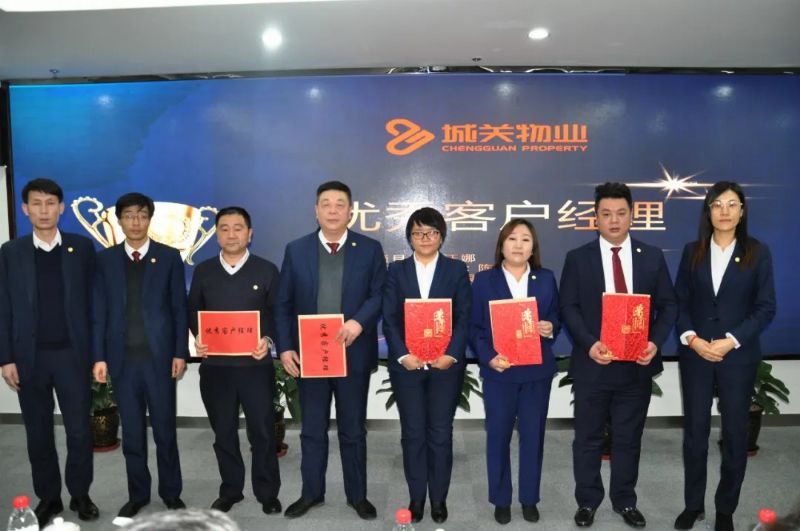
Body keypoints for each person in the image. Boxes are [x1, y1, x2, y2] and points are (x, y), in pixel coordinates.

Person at [560, 182, 677, 529]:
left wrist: (654, 342)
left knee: (628, 438)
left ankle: (625, 501)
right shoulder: (577, 258)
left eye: (621, 213)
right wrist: (588, 343)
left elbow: (669, 305)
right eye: (606, 214)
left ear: (632, 215)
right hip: (593, 364)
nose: (614, 220)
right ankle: (587, 501)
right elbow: (569, 307)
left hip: (635, 366)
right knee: (588, 438)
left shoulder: (652, 256)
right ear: (595, 218)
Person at [275, 180, 386, 520]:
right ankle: (311, 493)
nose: (333, 210)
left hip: (352, 352)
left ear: (351, 211)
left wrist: (358, 322)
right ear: (316, 210)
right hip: (310, 355)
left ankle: (357, 496)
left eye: (340, 204)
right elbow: (283, 303)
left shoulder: (369, 248)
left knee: (353, 429)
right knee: (312, 429)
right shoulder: (296, 250)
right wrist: (285, 348)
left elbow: (379, 294)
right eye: (326, 204)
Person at [673, 181, 776, 531]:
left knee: (734, 434)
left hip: (737, 356)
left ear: (742, 211)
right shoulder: (693, 251)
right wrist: (692, 339)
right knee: (695, 432)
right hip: (697, 354)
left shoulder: (757, 252)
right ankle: (693, 505)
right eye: (717, 205)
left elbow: (765, 308)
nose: (725, 211)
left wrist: (730, 341)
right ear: (708, 211)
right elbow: (680, 302)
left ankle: (725, 510)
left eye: (732, 204)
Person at [0, 178, 100, 525]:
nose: (44, 210)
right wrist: (6, 358)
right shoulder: (11, 252)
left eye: (50, 203)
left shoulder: (81, 248)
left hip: (72, 356)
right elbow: (3, 307)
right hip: (29, 359)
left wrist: (97, 354)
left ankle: (80, 494)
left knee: (79, 431)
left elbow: (94, 304)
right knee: (38, 433)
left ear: (61, 208)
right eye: (36, 204)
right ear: (25, 209)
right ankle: (49, 497)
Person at [92, 192, 188, 517]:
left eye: (142, 215)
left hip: (159, 361)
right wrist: (99, 357)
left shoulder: (169, 257)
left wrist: (180, 352)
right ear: (119, 220)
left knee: (165, 431)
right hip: (123, 362)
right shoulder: (104, 260)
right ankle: (138, 495)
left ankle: (171, 493)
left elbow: (178, 308)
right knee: (132, 433)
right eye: (129, 215)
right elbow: (99, 312)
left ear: (150, 219)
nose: (136, 221)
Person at [188, 206, 282, 515]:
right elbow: (193, 311)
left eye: (238, 228)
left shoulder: (266, 270)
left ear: (249, 234)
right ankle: (231, 490)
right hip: (216, 368)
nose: (231, 234)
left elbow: (277, 313)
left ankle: (267, 492)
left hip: (255, 367)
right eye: (224, 228)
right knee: (223, 432)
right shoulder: (203, 271)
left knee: (262, 432)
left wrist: (268, 340)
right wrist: (197, 338)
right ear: (216, 234)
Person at [381, 207, 471, 524]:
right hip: (407, 366)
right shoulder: (396, 271)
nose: (425, 238)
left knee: (441, 432)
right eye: (418, 233)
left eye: (431, 232)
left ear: (441, 236)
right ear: (409, 238)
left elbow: (464, 316)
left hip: (445, 366)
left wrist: (452, 354)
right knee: (413, 433)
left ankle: (439, 499)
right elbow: (389, 318)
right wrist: (403, 354)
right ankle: (417, 497)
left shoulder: (456, 270)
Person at [469, 218, 559, 525]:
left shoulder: (546, 278)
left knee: (533, 437)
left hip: (536, 372)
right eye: (512, 238)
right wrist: (488, 357)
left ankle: (529, 499)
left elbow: (556, 316)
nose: (518, 245)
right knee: (498, 437)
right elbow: (475, 327)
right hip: (500, 372)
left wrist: (549, 327)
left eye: (525, 239)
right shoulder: (484, 281)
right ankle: (501, 499)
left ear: (533, 247)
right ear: (501, 245)